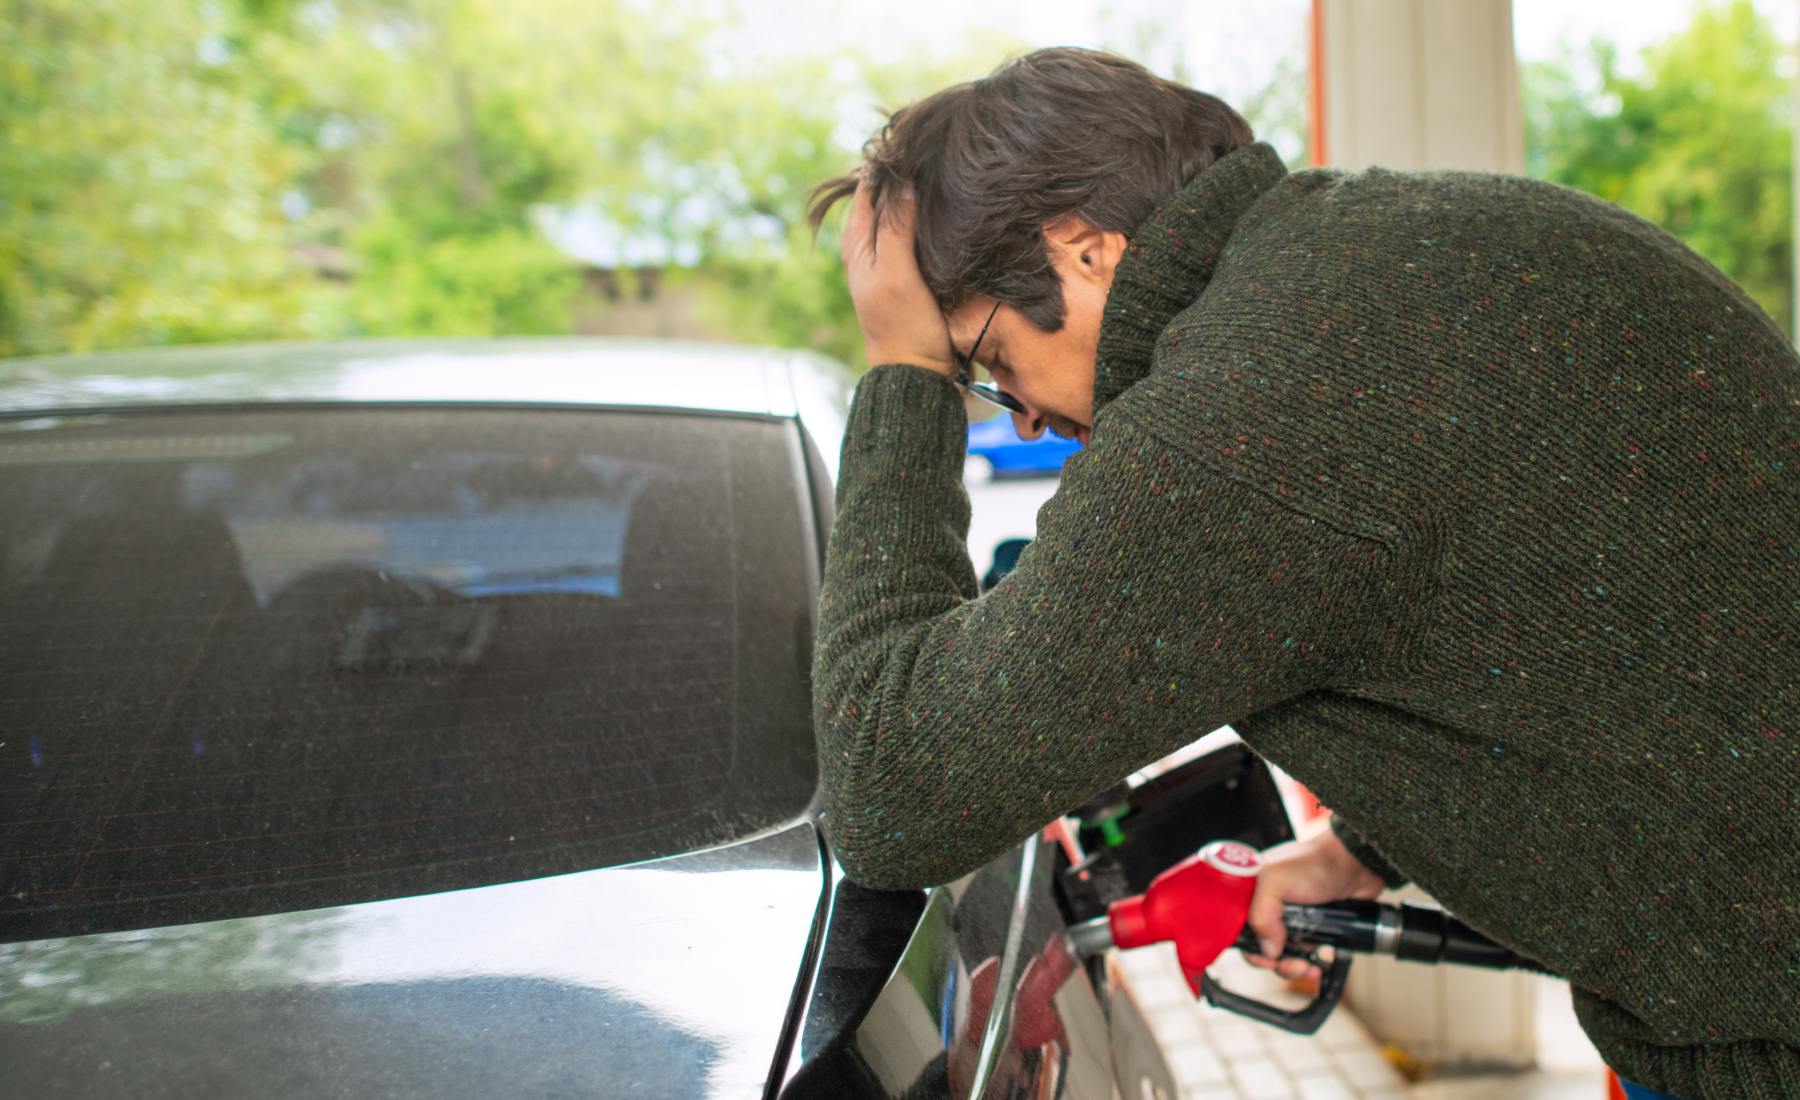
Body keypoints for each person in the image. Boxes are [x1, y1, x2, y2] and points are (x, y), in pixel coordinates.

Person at [805, 47, 1798, 1100]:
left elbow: (894, 788)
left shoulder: (1239, 412)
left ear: (1085, 253)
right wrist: (1354, 851)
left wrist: (903, 371)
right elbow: (1551, 620)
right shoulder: (1411, 241)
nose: (1027, 416)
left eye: (992, 359)